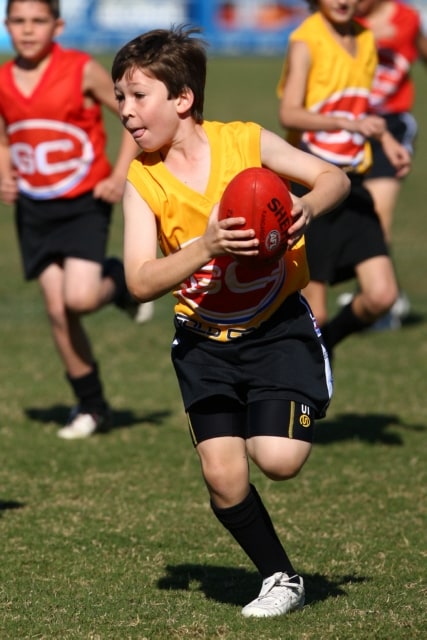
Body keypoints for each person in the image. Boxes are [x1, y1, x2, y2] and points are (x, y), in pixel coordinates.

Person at [111, 25, 350, 618]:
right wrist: (208, 245)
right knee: (224, 478)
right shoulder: (143, 180)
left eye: (139, 96)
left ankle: (309, 370)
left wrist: (305, 206)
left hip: (275, 327)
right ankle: (280, 578)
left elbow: (333, 177)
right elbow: (139, 280)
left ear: (183, 98)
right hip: (202, 344)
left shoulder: (244, 143)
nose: (126, 111)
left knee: (278, 460)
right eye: (120, 98)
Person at [0, 0, 152, 440]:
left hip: (84, 201)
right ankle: (92, 405)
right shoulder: (4, 79)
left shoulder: (82, 69)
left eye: (38, 21)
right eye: (18, 22)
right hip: (34, 209)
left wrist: (120, 173)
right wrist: (5, 175)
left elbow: (129, 117)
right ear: (7, 25)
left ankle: (122, 283)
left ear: (58, 25)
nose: (28, 30)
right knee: (57, 309)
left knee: (80, 299)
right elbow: (6, 137)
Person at [277, 0, 411, 358]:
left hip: (354, 183)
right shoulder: (306, 41)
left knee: (382, 295)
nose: (344, 1)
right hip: (312, 187)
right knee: (314, 313)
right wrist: (346, 123)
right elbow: (289, 113)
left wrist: (385, 139)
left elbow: (359, 104)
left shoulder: (365, 37)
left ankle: (328, 342)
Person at [355, 0, 427, 326]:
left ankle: (379, 300)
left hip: (392, 128)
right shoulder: (344, 18)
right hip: (347, 125)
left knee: (377, 215)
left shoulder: (408, 19)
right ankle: (383, 292)